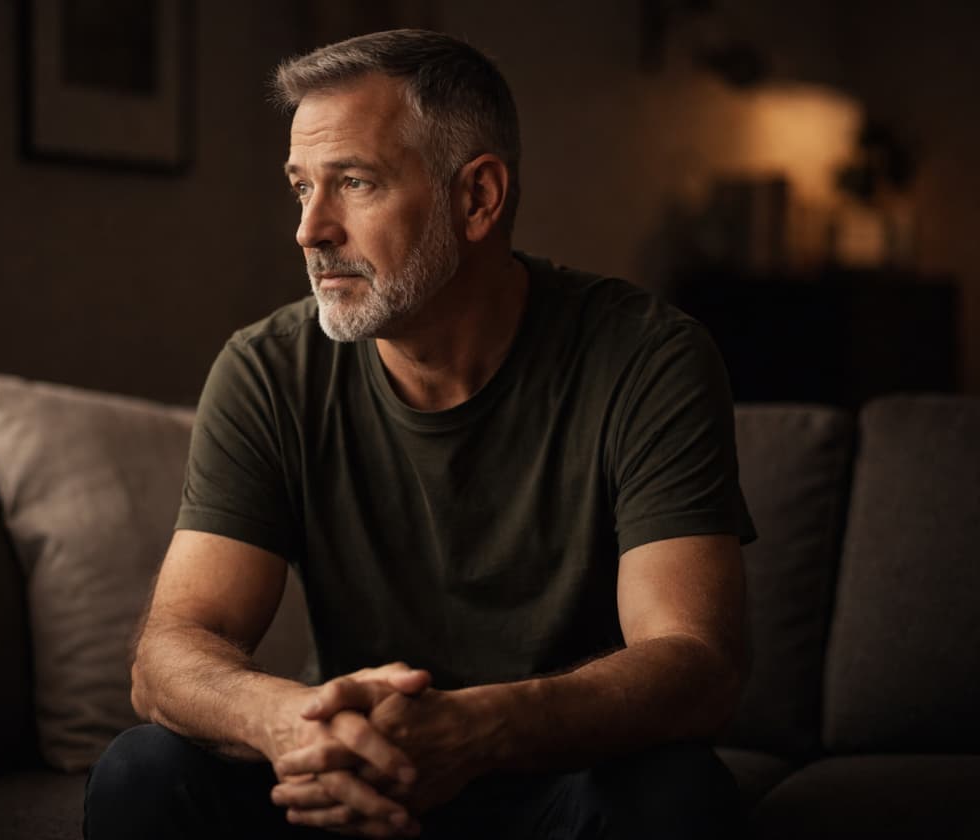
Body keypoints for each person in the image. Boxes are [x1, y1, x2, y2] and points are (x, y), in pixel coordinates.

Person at [84, 28, 755, 839]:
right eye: (302, 188)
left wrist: (477, 730)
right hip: (347, 778)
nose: (310, 230)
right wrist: (293, 725)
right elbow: (173, 651)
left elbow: (696, 663)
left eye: (354, 182)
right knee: (143, 772)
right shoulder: (267, 368)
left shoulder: (646, 356)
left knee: (676, 796)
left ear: (477, 198)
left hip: (553, 780)